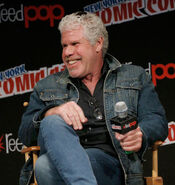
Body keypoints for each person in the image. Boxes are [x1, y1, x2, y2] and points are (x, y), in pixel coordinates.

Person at [18, 11, 168, 185]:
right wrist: (51, 112)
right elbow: (25, 135)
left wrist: (141, 133)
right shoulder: (47, 86)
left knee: (44, 167)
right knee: (51, 123)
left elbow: (157, 121)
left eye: (74, 44)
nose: (67, 52)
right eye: (64, 45)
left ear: (97, 44)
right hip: (61, 163)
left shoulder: (134, 76)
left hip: (109, 167)